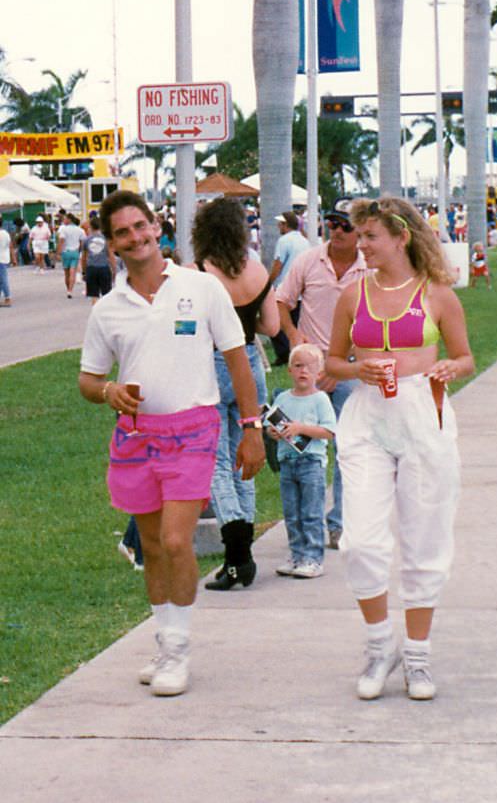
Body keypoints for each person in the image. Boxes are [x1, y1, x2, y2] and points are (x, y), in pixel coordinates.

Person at [78, 190, 265, 696]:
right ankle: (165, 642)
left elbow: (237, 359)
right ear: (112, 244)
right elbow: (88, 380)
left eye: (141, 225)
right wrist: (109, 391)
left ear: (155, 226)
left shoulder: (201, 288)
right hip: (138, 438)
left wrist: (251, 428)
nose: (135, 237)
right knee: (154, 547)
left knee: (179, 540)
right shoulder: (109, 309)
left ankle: (178, 653)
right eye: (122, 232)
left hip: (195, 429)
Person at [325, 196, 474, 701]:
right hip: (367, 414)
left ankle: (417, 657)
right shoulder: (353, 296)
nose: (359, 245)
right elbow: (332, 362)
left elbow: (465, 356)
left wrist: (451, 369)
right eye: (358, 235)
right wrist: (355, 369)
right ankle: (378, 645)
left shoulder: (437, 295)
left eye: (370, 236)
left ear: (401, 237)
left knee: (425, 537)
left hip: (421, 413)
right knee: (362, 540)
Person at [189, 197, 279, 592]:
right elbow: (272, 326)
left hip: (210, 365)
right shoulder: (257, 270)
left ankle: (237, 554)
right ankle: (243, 552)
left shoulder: (199, 273)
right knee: (248, 456)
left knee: (216, 461)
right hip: (250, 365)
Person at [277, 198, 368, 550]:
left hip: (348, 371)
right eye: (332, 223)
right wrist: (293, 336)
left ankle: (339, 523)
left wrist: (341, 362)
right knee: (301, 448)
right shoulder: (307, 261)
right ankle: (304, 525)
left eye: (346, 225)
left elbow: (378, 323)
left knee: (346, 448)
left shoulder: (369, 269)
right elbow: (282, 300)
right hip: (309, 373)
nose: (337, 230)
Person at [269, 343, 336, 579]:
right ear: (289, 371)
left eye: (309, 367)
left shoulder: (320, 400)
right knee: (292, 512)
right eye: (298, 366)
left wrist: (300, 428)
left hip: (311, 463)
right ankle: (296, 555)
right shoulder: (283, 399)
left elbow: (329, 431)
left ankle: (313, 558)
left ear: (319, 373)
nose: (303, 372)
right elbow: (272, 424)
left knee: (311, 512)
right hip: (288, 462)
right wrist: (274, 433)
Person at [268, 211, 311, 367]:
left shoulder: (284, 241)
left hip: (284, 289)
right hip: (301, 290)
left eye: (280, 224)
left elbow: (278, 264)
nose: (279, 226)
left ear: (285, 225)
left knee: (275, 322)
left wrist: (268, 282)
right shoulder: (304, 241)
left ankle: (284, 353)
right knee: (296, 323)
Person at [82, 215, 116, 304]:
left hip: (91, 268)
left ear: (91, 226)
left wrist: (84, 271)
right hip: (104, 267)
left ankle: (95, 310)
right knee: (106, 294)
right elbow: (110, 255)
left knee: (94, 294)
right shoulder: (105, 239)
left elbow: (84, 257)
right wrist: (114, 269)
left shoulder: (87, 239)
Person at [57, 213, 86, 297]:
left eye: (65, 219)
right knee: (73, 271)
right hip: (75, 252)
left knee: (67, 273)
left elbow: (61, 240)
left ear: (69, 219)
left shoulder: (63, 229)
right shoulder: (80, 230)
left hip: (65, 252)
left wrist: (58, 252)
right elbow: (82, 242)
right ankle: (70, 290)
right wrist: (79, 250)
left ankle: (68, 290)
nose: (64, 220)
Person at [0, 214, 16, 306]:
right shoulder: (6, 233)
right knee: (2, 279)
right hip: (4, 258)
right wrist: (14, 259)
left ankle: (7, 297)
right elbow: (11, 247)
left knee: (3, 279)